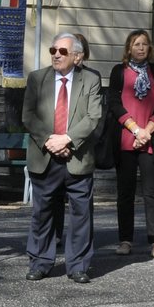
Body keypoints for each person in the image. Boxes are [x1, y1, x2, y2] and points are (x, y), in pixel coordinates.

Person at [23, 32, 103, 282]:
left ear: (77, 56)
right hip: (45, 155)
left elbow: (93, 117)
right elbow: (28, 115)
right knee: (43, 212)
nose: (57, 55)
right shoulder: (37, 78)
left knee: (81, 214)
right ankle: (40, 262)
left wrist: (66, 139)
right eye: (53, 50)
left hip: (77, 157)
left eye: (63, 51)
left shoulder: (90, 79)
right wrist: (50, 140)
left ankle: (77, 265)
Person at [103, 29, 154, 258]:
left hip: (151, 139)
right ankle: (125, 239)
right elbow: (113, 102)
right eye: (136, 44)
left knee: (152, 192)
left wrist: (147, 130)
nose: (141, 48)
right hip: (125, 140)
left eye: (144, 44)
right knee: (125, 193)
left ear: (149, 48)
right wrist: (134, 129)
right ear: (128, 48)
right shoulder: (118, 71)